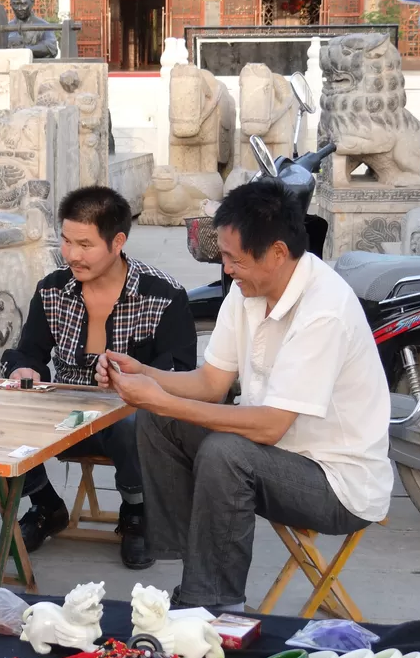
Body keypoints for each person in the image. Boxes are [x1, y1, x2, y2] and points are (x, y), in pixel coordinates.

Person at [95, 179, 392, 612]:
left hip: (338, 482)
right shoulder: (246, 290)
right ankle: (195, 566)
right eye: (225, 257)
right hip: (278, 453)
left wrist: (158, 397)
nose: (227, 269)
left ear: (276, 253)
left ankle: (212, 603)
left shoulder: (324, 309)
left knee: (224, 453)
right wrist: (146, 375)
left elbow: (270, 426)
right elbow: (211, 384)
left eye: (236, 259)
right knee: (160, 421)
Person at [1, 186, 196, 570]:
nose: (72, 254)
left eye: (86, 244)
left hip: (131, 423)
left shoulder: (163, 296)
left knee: (133, 421)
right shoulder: (53, 290)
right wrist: (24, 370)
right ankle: (46, 505)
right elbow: (30, 354)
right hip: (64, 417)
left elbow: (181, 377)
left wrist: (132, 381)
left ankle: (136, 514)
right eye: (67, 240)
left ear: (117, 241)